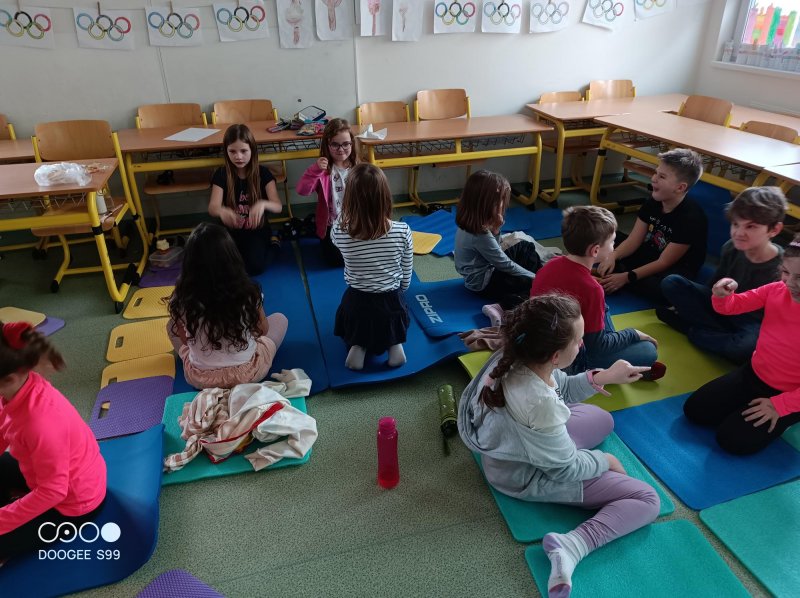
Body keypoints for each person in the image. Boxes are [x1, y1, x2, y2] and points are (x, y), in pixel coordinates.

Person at [458, 295, 659, 598]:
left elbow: (559, 386)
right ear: (554, 355)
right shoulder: (540, 402)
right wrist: (604, 459)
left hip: (516, 446)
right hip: (524, 475)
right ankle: (572, 546)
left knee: (602, 419)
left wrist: (605, 376)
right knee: (646, 499)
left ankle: (561, 443)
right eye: (578, 340)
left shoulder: (518, 354)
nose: (582, 344)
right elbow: (564, 468)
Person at [683, 233, 800, 455]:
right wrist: (722, 294)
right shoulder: (776, 289)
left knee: (731, 440)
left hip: (788, 393)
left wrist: (781, 405)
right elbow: (732, 306)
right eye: (786, 272)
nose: (790, 283)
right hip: (753, 374)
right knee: (695, 410)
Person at [0, 321, 106, 564]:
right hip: (48, 476)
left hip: (74, 505)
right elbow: (5, 426)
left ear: (9, 378)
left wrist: (4, 519)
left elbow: (53, 492)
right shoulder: (17, 387)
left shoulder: (39, 423)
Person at [531, 206, 664, 378]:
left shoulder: (550, 264)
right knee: (648, 351)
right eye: (612, 242)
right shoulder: (591, 289)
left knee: (601, 310)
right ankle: (599, 371)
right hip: (568, 361)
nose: (614, 246)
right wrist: (633, 333)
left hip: (541, 346)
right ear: (595, 250)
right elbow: (598, 347)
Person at [658, 186, 786, 364]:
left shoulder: (783, 267)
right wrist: (704, 298)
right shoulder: (731, 247)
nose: (739, 233)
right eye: (735, 224)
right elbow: (713, 285)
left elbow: (777, 319)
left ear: (774, 230)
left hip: (751, 322)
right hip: (722, 307)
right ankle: (716, 335)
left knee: (746, 346)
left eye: (751, 226)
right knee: (671, 282)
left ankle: (691, 330)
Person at [168, 222, 288, 389]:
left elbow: (185, 341)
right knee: (280, 319)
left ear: (188, 262)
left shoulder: (182, 298)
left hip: (202, 378)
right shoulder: (248, 293)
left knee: (171, 326)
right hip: (247, 374)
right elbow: (262, 330)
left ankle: (206, 361)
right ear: (232, 257)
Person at [596, 148, 707, 305]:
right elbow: (634, 240)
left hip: (675, 266)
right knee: (603, 235)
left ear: (680, 187)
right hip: (651, 251)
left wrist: (626, 277)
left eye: (662, 176)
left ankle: (620, 274)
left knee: (665, 287)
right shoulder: (654, 201)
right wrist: (613, 256)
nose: (654, 178)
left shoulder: (691, 218)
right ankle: (619, 272)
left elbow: (664, 262)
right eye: (656, 173)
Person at [332, 163, 412, 371]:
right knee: (390, 319)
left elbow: (337, 237)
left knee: (360, 322)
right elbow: (406, 273)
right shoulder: (402, 230)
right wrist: (400, 291)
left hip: (358, 301)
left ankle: (358, 346)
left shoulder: (340, 230)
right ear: (385, 196)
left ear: (349, 199)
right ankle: (394, 345)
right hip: (391, 301)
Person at [454, 170, 542, 310]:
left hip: (479, 276)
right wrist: (535, 277)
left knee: (525, 247)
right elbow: (504, 264)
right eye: (500, 201)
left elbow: (496, 249)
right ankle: (506, 304)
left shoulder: (470, 221)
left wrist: (495, 230)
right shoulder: (480, 234)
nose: (503, 205)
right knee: (529, 281)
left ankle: (540, 279)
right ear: (487, 203)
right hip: (485, 285)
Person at [209, 124, 283, 275]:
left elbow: (278, 206)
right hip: (230, 231)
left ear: (252, 150)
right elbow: (213, 207)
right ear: (226, 151)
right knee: (219, 266)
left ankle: (275, 243)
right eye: (232, 151)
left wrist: (263, 204)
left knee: (255, 268)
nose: (238, 156)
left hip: (256, 230)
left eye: (243, 151)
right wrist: (222, 211)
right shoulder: (221, 174)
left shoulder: (263, 173)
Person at [297, 118, 359, 266]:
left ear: (352, 143)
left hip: (355, 223)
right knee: (335, 261)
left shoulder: (358, 168)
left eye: (346, 144)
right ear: (327, 144)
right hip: (332, 225)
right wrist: (315, 171)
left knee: (360, 255)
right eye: (335, 144)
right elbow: (302, 191)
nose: (341, 149)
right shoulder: (322, 170)